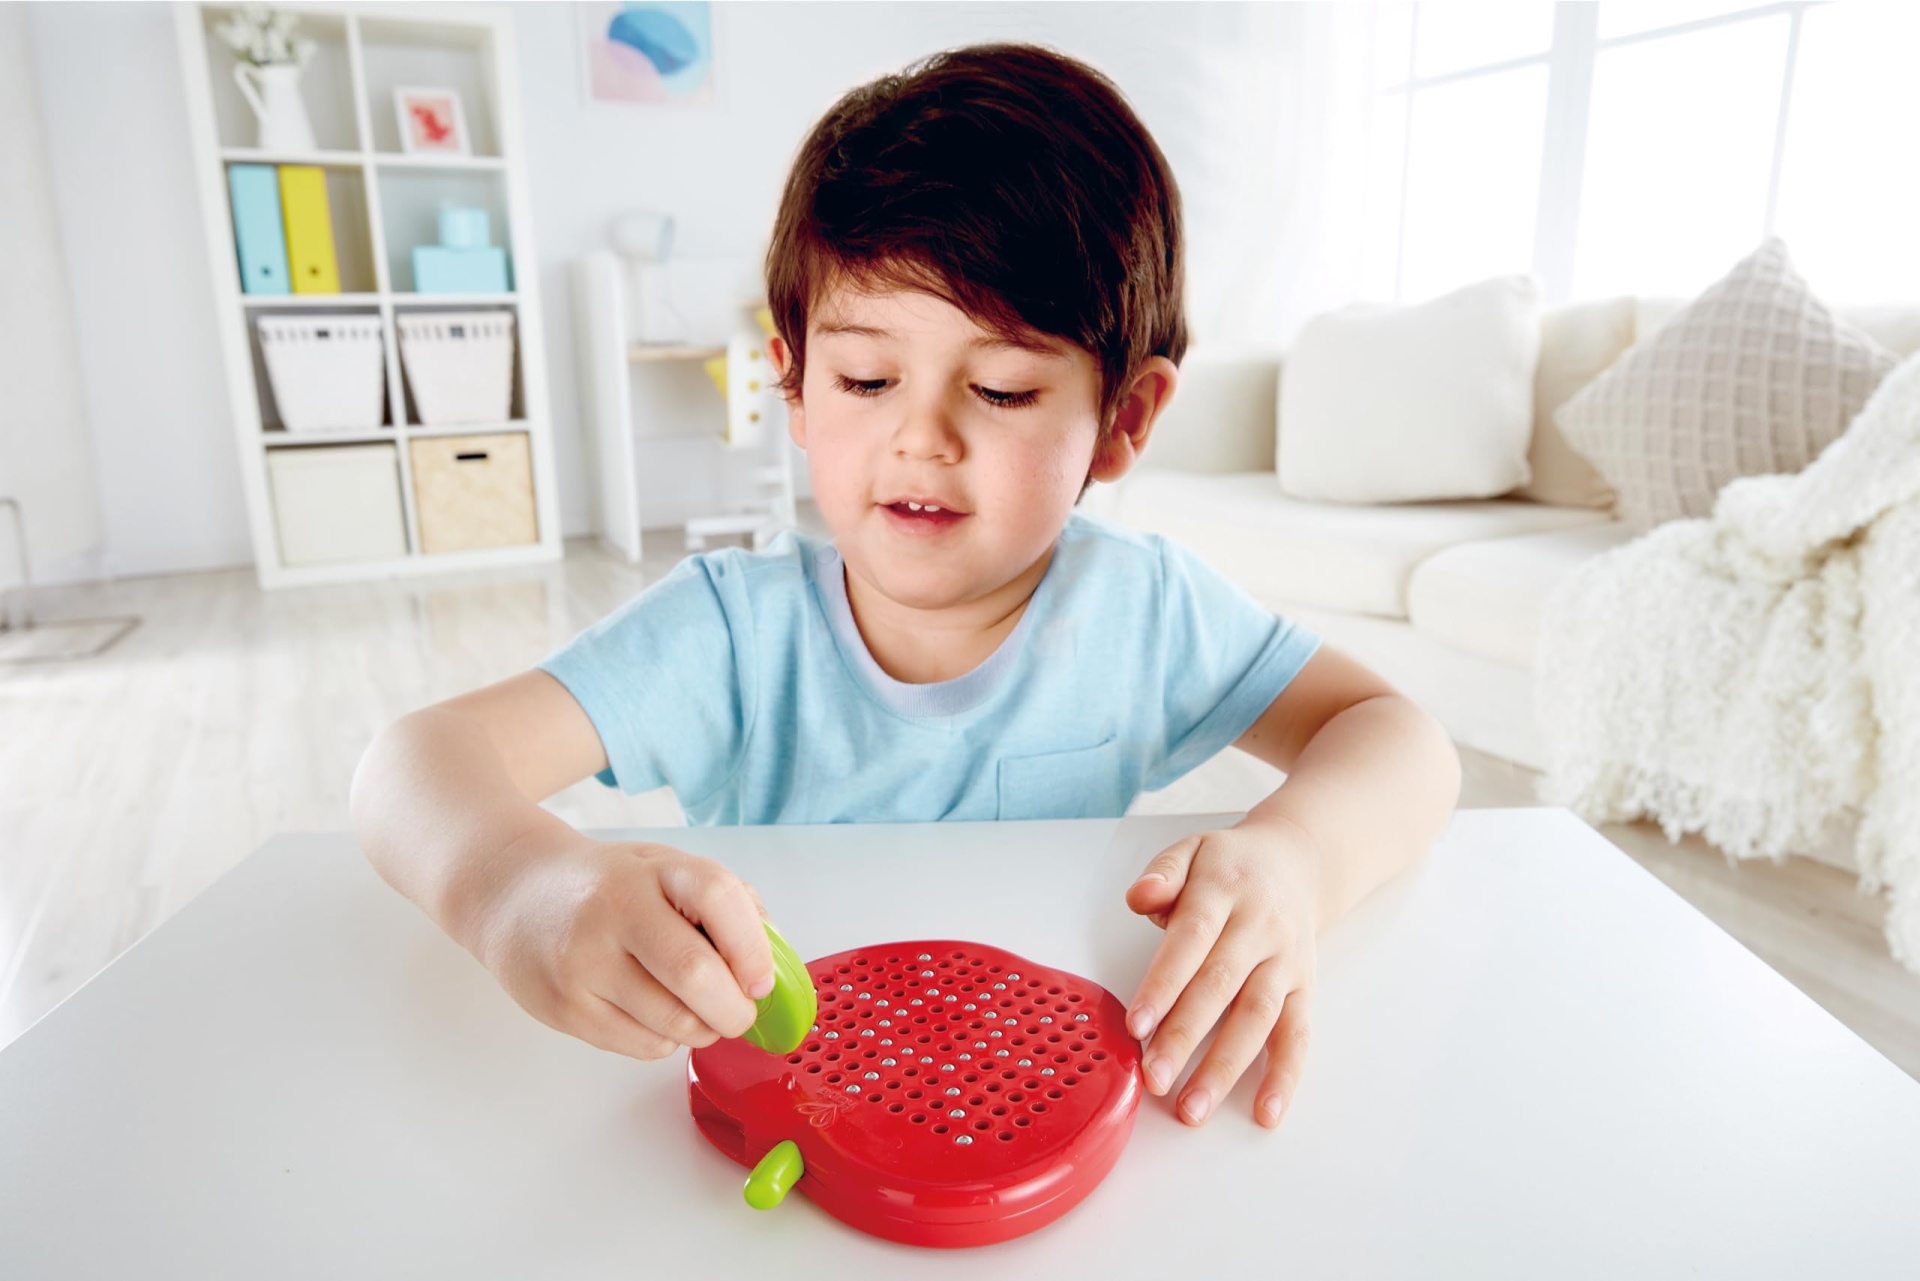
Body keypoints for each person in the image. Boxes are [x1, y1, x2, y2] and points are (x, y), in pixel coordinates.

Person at [351, 42, 1460, 1131]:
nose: (921, 438)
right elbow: (410, 766)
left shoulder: (1144, 612)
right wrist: (522, 893)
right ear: (792, 386)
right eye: (867, 378)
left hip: (1032, 1097)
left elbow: (1397, 736)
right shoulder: (733, 634)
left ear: (1122, 421)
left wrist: (1298, 859)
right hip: (787, 1108)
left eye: (1003, 388)